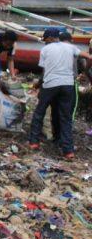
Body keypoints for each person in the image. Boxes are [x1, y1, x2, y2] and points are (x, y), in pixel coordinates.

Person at [29, 28, 92, 160]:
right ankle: (68, 151)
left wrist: (38, 86)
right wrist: (85, 70)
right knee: (65, 117)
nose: (45, 42)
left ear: (51, 38)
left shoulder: (45, 50)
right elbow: (88, 57)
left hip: (50, 84)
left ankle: (34, 142)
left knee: (39, 112)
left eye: (45, 40)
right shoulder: (70, 47)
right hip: (67, 85)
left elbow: (44, 70)